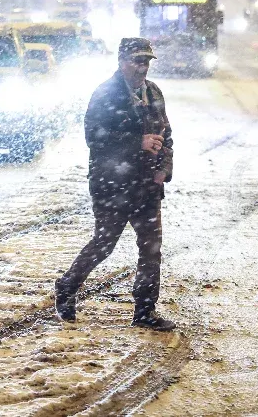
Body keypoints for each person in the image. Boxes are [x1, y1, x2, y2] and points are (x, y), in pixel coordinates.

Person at [55, 37, 176, 332]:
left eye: (146, 61)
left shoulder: (153, 92)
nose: (142, 67)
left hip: (147, 185)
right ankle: (67, 286)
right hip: (113, 184)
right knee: (104, 243)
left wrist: (164, 168)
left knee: (151, 248)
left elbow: (167, 135)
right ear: (122, 61)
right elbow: (95, 140)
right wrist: (137, 143)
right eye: (137, 61)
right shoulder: (106, 94)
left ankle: (145, 310)